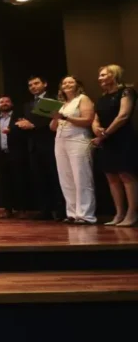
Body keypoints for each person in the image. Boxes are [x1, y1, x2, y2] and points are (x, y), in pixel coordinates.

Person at [93, 64, 137, 227]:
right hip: (106, 140)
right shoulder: (102, 98)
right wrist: (97, 129)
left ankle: (132, 213)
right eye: (100, 75)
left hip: (122, 138)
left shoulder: (126, 91)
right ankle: (119, 213)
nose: (100, 78)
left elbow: (123, 115)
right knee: (111, 177)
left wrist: (105, 134)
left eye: (104, 75)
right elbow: (95, 119)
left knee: (126, 175)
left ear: (114, 75)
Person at [49, 76, 96, 224]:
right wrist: (55, 117)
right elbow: (52, 127)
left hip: (77, 139)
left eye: (71, 82)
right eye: (64, 82)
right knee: (66, 178)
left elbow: (88, 120)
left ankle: (85, 215)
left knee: (82, 178)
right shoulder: (62, 104)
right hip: (60, 140)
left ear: (77, 85)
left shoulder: (82, 99)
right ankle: (72, 213)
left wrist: (65, 117)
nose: (67, 84)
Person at [17, 75, 65, 220]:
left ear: (45, 84)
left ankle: (60, 210)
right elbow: (27, 121)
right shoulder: (28, 104)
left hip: (50, 143)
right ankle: (45, 210)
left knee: (55, 177)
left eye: (36, 83)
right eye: (30, 85)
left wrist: (33, 125)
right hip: (33, 146)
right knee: (39, 179)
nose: (33, 87)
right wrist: (22, 124)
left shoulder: (54, 99)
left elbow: (54, 120)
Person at [0, 96, 29, 218]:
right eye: (1, 102)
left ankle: (22, 210)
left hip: (16, 153)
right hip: (1, 155)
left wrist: (12, 131)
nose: (4, 103)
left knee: (19, 181)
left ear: (11, 104)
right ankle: (8, 209)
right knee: (4, 183)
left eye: (7, 101)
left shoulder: (19, 117)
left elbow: (25, 134)